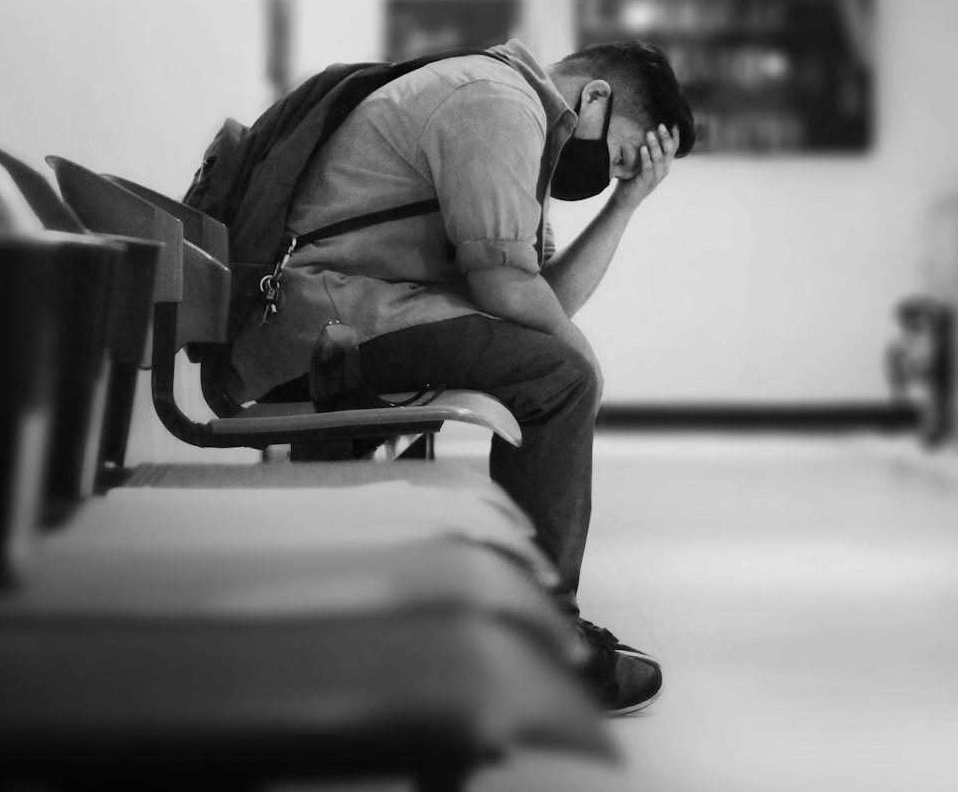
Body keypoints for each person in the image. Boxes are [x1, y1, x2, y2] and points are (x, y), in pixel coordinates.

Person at [226, 36, 695, 713]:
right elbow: (509, 290)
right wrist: (582, 361)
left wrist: (622, 205)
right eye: (622, 153)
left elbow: (539, 305)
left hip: (349, 315)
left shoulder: (515, 118)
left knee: (553, 366)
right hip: (328, 319)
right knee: (561, 376)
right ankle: (545, 642)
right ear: (595, 95)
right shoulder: (496, 101)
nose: (611, 171)